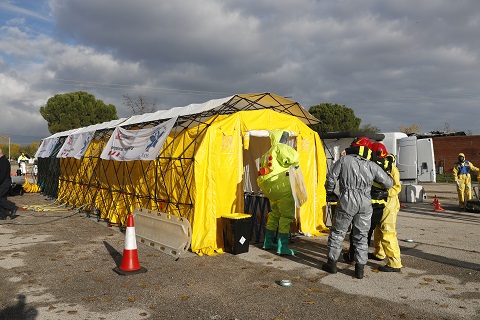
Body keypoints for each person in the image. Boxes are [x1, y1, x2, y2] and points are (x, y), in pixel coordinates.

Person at [322, 137, 393, 279]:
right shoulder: (372, 165)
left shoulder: (344, 160)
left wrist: (330, 192)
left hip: (346, 201)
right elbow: (388, 183)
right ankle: (359, 269)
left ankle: (332, 264)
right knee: (361, 236)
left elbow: (331, 178)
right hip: (365, 203)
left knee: (338, 233)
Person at [343, 142, 390, 264]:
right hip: (379, 206)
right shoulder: (388, 164)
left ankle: (353, 257)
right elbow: (390, 183)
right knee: (367, 234)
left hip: (365, 204)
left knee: (358, 233)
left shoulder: (367, 165)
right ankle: (361, 262)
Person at [257, 130, 300, 255]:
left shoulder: (267, 153)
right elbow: (294, 158)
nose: (286, 140)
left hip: (270, 189)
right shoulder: (280, 148)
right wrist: (296, 166)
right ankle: (283, 246)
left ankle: (268, 242)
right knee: (286, 216)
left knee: (274, 213)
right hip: (282, 187)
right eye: (285, 137)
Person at [371, 152, 403, 272]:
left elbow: (397, 187)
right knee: (378, 229)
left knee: (388, 232)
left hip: (390, 203)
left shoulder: (392, 169)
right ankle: (379, 254)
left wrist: (386, 193)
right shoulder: (376, 166)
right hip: (381, 203)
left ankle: (395, 263)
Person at [0, 148, 19, 219]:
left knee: (0, 198)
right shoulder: (2, 161)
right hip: (4, 182)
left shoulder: (3, 162)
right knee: (2, 198)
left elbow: (2, 175)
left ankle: (12, 207)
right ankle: (2, 215)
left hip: (4, 183)